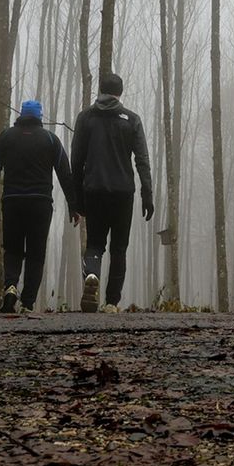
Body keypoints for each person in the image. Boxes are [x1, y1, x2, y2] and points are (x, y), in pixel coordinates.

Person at [72, 72, 154, 313]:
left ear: (100, 90)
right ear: (120, 93)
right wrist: (147, 192)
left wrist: (77, 199)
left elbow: (76, 160)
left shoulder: (85, 118)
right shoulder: (131, 119)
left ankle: (92, 276)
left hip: (93, 190)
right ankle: (111, 302)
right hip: (122, 192)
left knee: (95, 244)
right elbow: (142, 159)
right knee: (119, 247)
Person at [0, 99, 77, 313]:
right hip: (40, 203)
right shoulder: (50, 139)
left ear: (21, 115)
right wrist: (74, 205)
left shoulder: (6, 137)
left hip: (12, 201)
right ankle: (27, 303)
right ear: (40, 117)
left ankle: (10, 286)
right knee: (36, 253)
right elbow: (65, 173)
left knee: (13, 249)